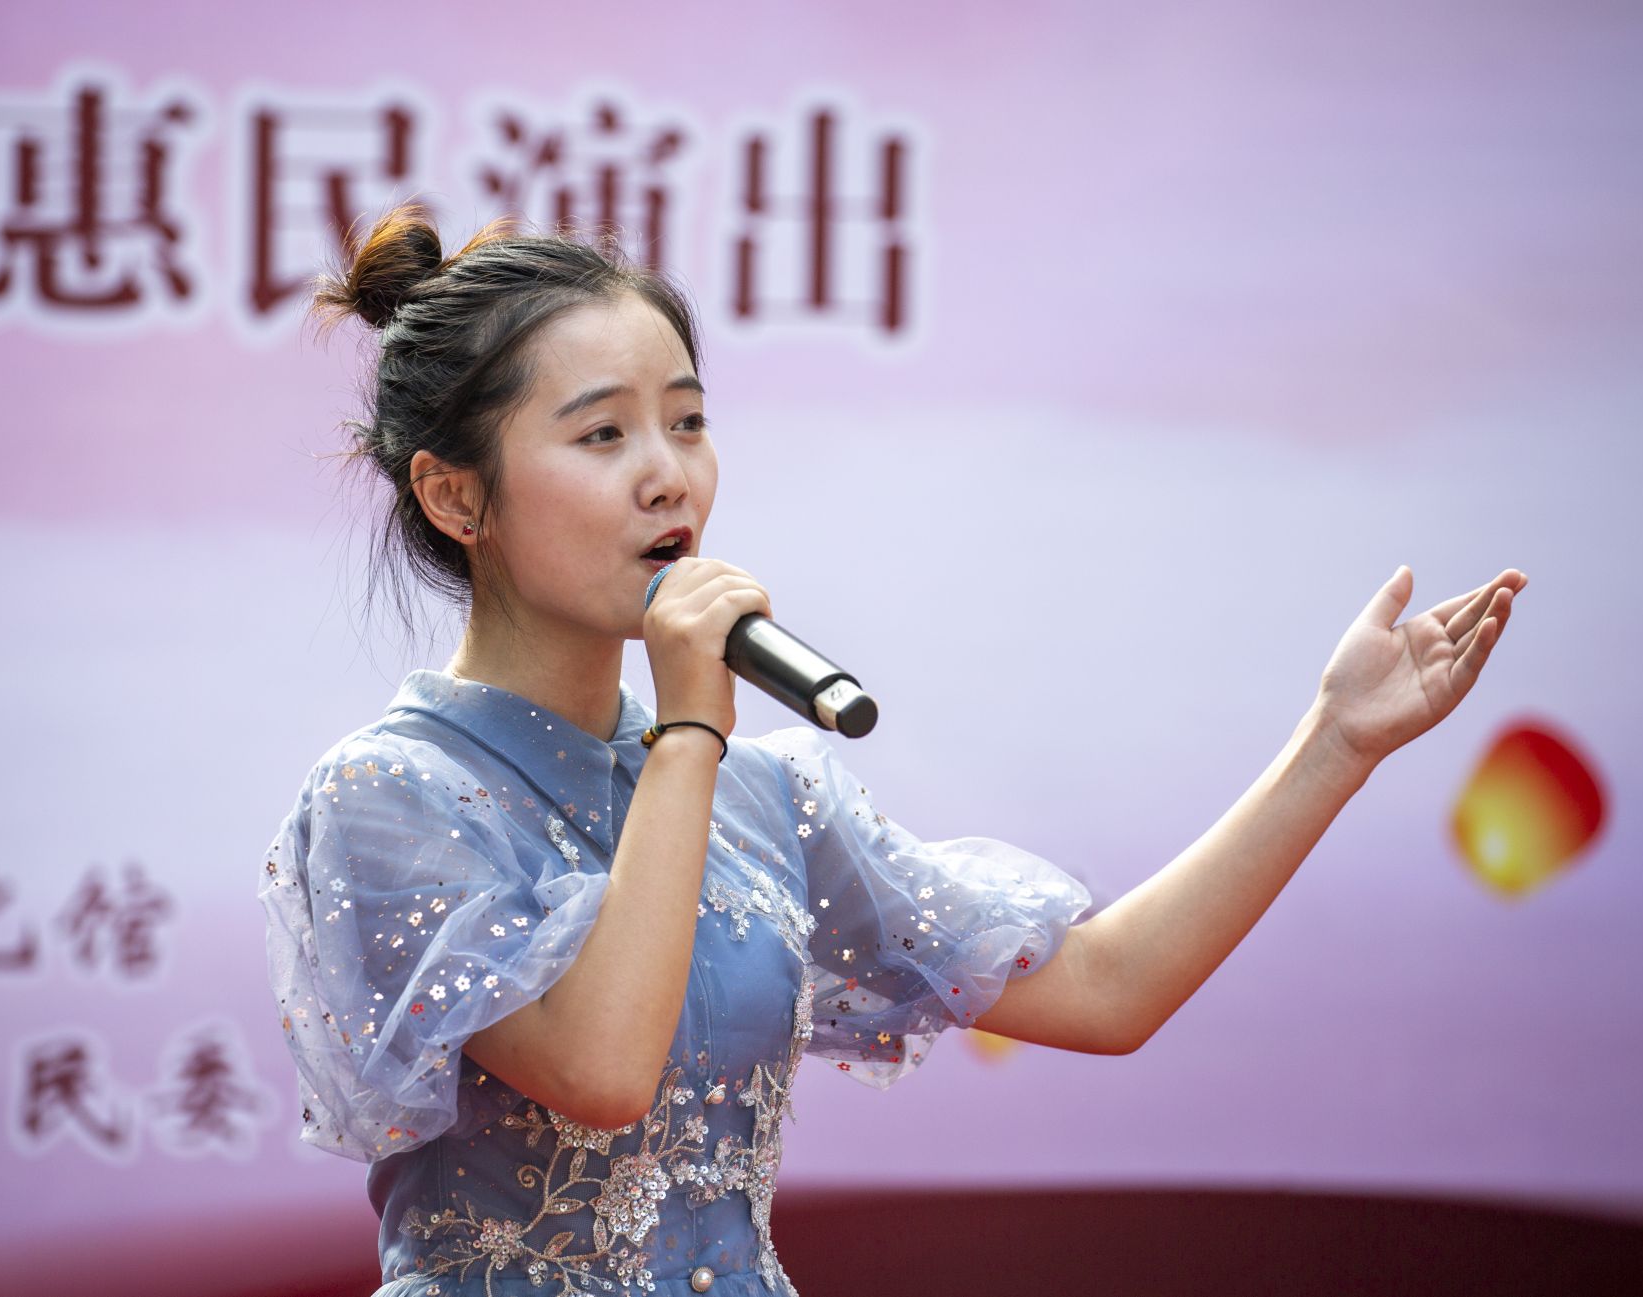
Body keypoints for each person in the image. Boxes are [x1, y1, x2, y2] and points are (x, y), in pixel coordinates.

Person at [258, 203, 1524, 1297]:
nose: (669, 478)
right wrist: (691, 723)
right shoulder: (393, 794)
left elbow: (1107, 988)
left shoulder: (763, 799)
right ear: (455, 495)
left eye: (687, 423)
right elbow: (598, 1067)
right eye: (603, 436)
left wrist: (1336, 742)